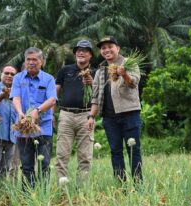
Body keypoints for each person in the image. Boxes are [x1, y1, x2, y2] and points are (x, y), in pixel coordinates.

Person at [89, 36, 143, 183]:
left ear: (117, 48)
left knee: (134, 150)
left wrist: (124, 74)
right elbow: (95, 96)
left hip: (129, 114)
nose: (106, 50)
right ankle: (121, 184)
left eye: (110, 46)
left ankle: (138, 184)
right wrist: (91, 116)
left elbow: (134, 83)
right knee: (115, 151)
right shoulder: (100, 71)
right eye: (103, 48)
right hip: (109, 118)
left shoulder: (129, 63)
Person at [10, 47, 57, 187]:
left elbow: (52, 100)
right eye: (28, 60)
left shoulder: (48, 79)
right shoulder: (18, 78)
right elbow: (15, 97)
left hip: (44, 128)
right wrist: (20, 112)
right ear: (25, 61)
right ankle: (27, 197)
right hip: (24, 127)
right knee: (26, 165)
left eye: (34, 59)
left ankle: (43, 194)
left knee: (45, 164)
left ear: (41, 61)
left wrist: (37, 110)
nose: (31, 62)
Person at [55, 40, 95, 185]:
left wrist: (93, 83)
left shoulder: (95, 72)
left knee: (85, 156)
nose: (81, 52)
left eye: (85, 50)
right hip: (66, 115)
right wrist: (52, 114)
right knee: (62, 154)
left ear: (90, 54)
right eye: (78, 50)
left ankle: (82, 188)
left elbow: (100, 96)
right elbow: (55, 93)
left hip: (86, 115)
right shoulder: (65, 70)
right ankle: (62, 187)